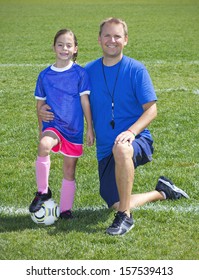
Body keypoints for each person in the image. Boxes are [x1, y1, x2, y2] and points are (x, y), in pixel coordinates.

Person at [39, 18, 189, 235]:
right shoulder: (87, 72)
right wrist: (45, 109)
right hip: (105, 150)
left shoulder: (136, 69)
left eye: (117, 36)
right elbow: (67, 96)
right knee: (115, 202)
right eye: (107, 36)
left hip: (136, 140)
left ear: (125, 40)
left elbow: (152, 109)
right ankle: (162, 191)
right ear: (99, 40)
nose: (112, 40)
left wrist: (131, 132)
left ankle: (126, 217)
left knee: (122, 149)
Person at [29, 29, 94, 219]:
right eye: (60, 44)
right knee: (43, 146)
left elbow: (84, 102)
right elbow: (40, 103)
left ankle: (66, 210)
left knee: (69, 170)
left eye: (68, 45)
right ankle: (43, 192)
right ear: (53, 47)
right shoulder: (45, 75)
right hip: (53, 125)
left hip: (73, 128)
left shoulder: (80, 74)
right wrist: (42, 128)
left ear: (75, 49)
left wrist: (90, 128)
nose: (64, 48)